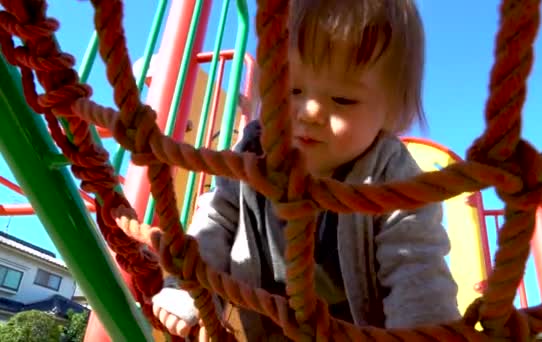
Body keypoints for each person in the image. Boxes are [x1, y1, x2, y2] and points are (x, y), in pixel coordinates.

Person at [152, 0, 460, 340]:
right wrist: (189, 288)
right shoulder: (254, 155)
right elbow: (216, 221)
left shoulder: (392, 177)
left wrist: (424, 332)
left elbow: (415, 267)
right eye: (292, 90)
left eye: (343, 99)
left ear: (392, 114)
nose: (309, 111)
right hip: (266, 328)